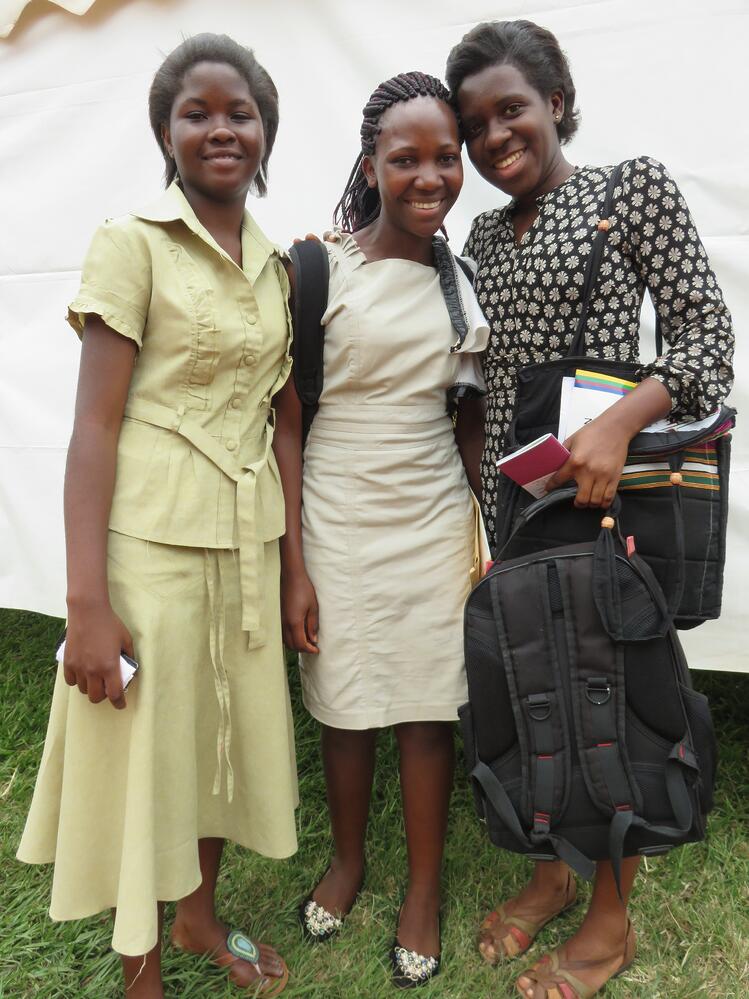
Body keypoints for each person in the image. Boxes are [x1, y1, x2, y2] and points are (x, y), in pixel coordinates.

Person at [445, 19, 734, 999]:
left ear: (556, 101)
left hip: (603, 501)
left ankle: (608, 917)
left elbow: (705, 337)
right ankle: (546, 875)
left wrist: (623, 419)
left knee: (605, 702)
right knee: (532, 697)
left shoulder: (625, 191)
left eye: (510, 110)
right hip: (516, 505)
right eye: (475, 124)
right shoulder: (481, 234)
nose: (493, 137)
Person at [17, 33, 297, 999]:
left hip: (245, 540)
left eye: (241, 112)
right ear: (165, 131)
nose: (222, 128)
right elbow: (94, 426)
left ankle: (197, 919)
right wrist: (85, 602)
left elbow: (277, 411)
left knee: (217, 740)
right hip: (150, 544)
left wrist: (294, 564)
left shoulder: (276, 263)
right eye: (197, 112)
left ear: (265, 132)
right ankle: (140, 969)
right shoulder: (130, 240)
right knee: (148, 755)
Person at [272, 72, 487, 988]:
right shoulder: (316, 265)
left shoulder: (460, 281)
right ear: (372, 165)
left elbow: (468, 416)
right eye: (407, 159)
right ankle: (350, 858)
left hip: (432, 513)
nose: (430, 175)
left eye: (447, 157)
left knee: (426, 710)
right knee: (345, 704)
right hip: (334, 512)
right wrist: (292, 564)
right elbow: (284, 420)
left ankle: (424, 889)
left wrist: (490, 526)